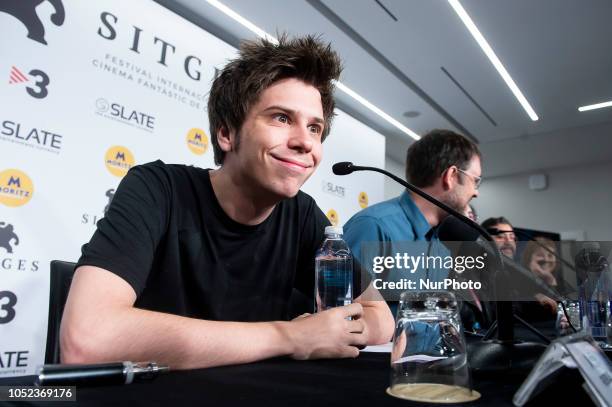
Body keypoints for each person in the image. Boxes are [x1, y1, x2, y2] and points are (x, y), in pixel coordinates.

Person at [60, 35, 394, 369]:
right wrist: (291, 337)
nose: (305, 142)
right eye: (281, 118)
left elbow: (382, 317)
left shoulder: (303, 214)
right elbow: (86, 340)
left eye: (315, 127)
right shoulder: (157, 188)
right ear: (227, 133)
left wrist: (335, 329)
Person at [342, 129, 487, 329]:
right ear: (451, 176)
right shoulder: (373, 226)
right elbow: (340, 313)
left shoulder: (442, 242)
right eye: (475, 180)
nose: (476, 192)